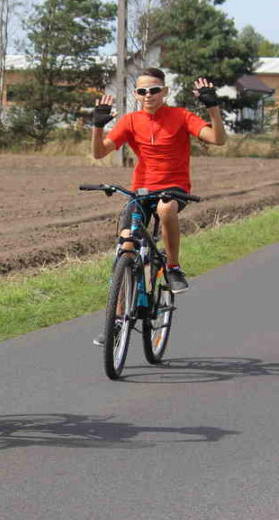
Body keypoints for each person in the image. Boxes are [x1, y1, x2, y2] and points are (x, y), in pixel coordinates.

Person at [90, 68, 226, 344]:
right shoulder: (130, 120)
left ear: (165, 91)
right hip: (141, 190)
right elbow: (99, 152)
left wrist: (213, 108)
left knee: (165, 209)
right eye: (142, 91)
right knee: (126, 246)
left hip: (174, 188)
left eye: (154, 90)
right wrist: (97, 126)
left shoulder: (181, 116)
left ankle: (173, 267)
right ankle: (117, 320)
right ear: (136, 95)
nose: (148, 95)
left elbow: (218, 139)